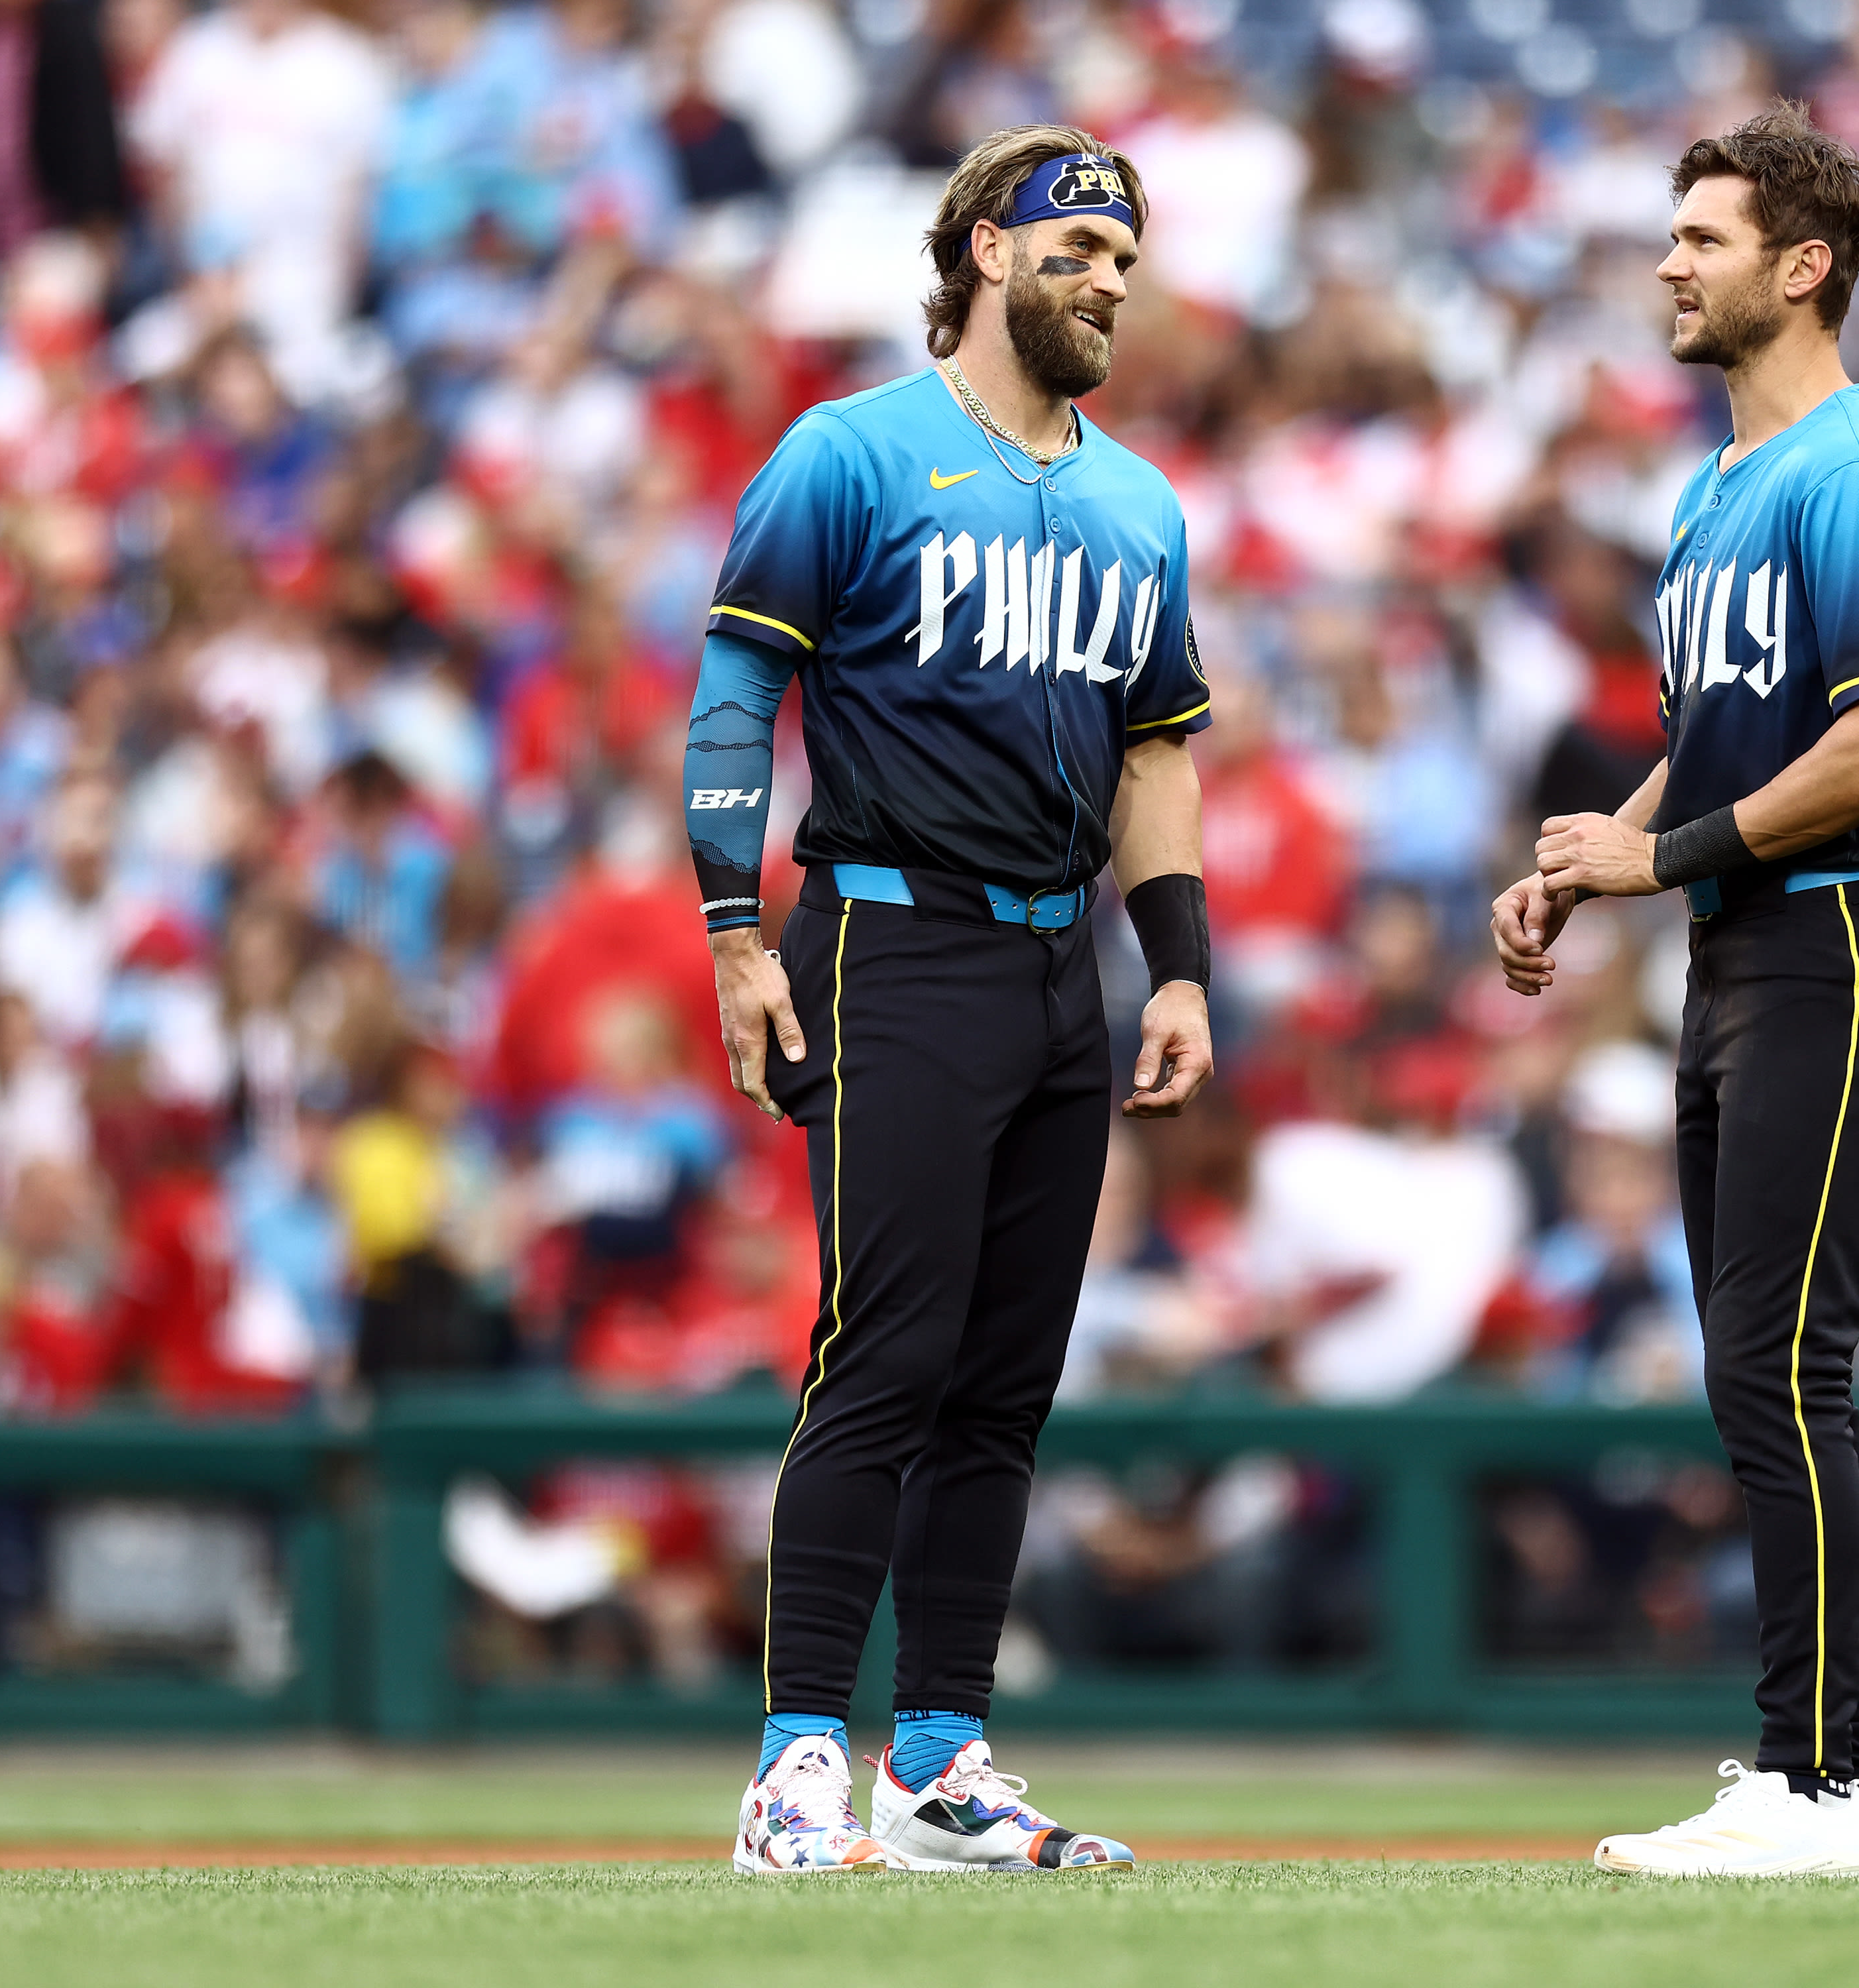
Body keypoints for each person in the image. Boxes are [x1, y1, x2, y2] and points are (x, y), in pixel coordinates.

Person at [684, 124, 1213, 1876]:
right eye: (1078, 248)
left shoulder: (1140, 503)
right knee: (887, 1353)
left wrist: (1181, 965)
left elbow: (1155, 751)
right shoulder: (850, 452)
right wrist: (735, 933)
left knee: (1003, 1383)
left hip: (1062, 957)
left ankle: (939, 1761)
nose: (1109, 282)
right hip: (891, 937)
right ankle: (792, 1762)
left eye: (1126, 260)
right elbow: (734, 692)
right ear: (986, 248)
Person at [1489, 103, 1859, 1879]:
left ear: (1803, 264)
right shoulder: (1713, 489)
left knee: (1785, 1363)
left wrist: (1661, 859)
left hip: (1845, 941)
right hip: (1752, 951)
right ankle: (1800, 1772)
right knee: (1754, 1370)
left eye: (1700, 237)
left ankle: (1833, 1789)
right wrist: (1589, 854)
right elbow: (1709, 748)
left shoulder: (1851, 466)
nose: (1664, 264)